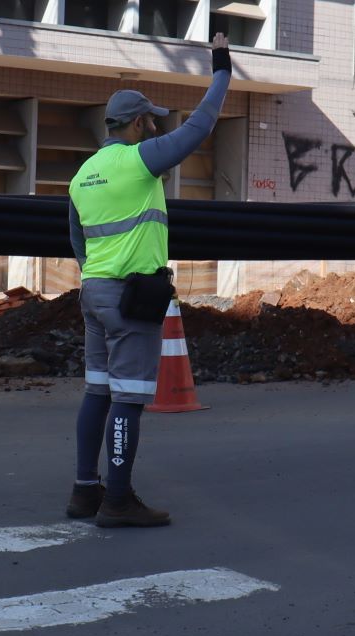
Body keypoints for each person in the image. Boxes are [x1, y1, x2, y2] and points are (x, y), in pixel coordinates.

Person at [65, 34, 231, 527]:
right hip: (131, 297)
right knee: (129, 399)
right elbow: (200, 126)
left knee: (97, 391)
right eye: (151, 121)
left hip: (93, 293)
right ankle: (118, 501)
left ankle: (84, 492)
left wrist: (100, 275)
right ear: (137, 123)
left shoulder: (82, 174)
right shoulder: (139, 161)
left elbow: (78, 241)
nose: (155, 127)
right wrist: (221, 68)